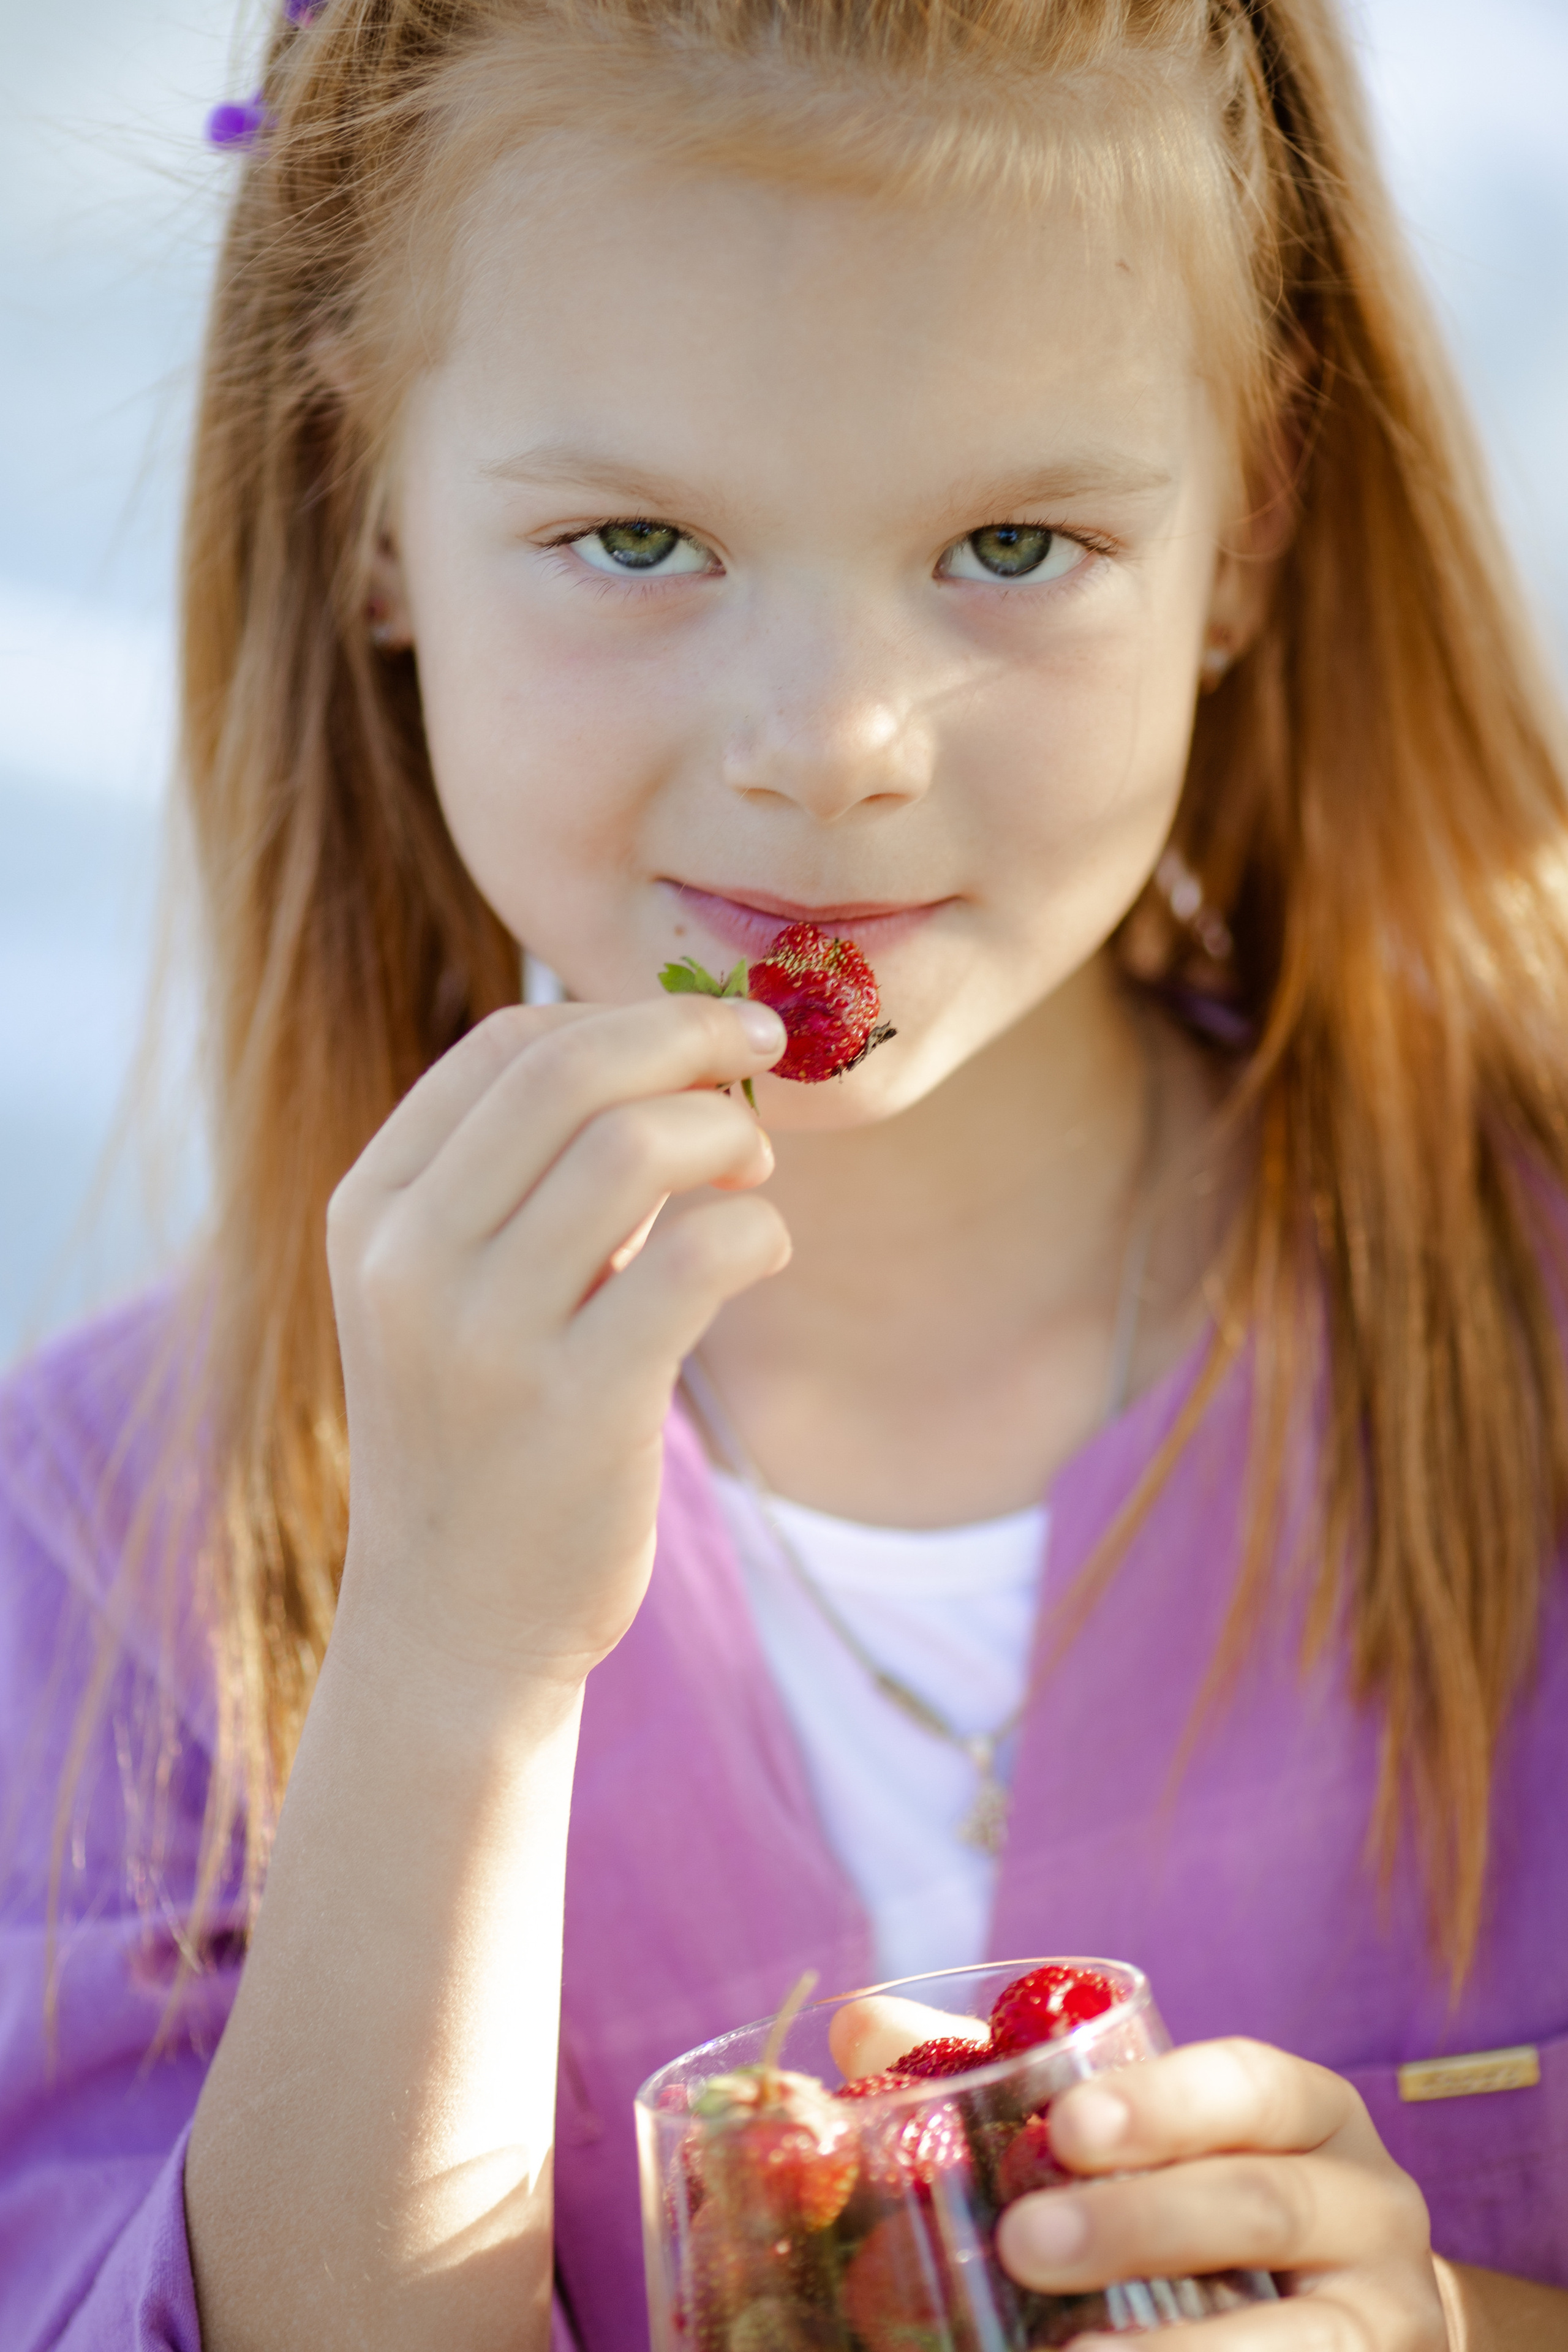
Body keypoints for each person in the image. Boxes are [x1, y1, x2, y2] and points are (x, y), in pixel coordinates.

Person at [2, 0, 1567, 2344]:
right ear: (373, 521)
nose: (833, 746)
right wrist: (444, 1651)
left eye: (1013, 543)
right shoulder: (96, 1542)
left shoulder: (1527, 1315)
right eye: (638, 538)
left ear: (1242, 529)